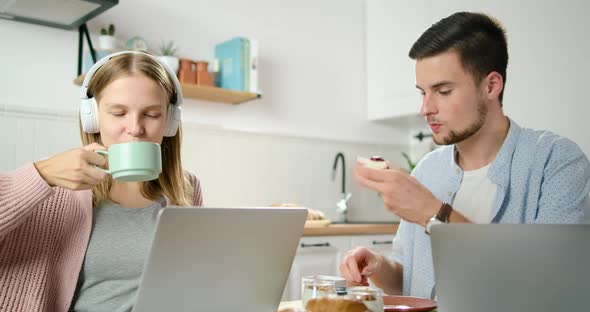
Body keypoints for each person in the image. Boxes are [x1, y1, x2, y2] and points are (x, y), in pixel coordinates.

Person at [340, 12, 590, 298]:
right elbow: (412, 284)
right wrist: (380, 267)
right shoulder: (427, 169)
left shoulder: (557, 163)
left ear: (491, 86)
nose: (425, 108)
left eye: (443, 91)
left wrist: (432, 213)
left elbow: (552, 289)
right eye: (422, 92)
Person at [0, 51, 203, 312]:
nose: (135, 128)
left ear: (170, 122)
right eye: (118, 113)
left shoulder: (187, 189)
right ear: (92, 118)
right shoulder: (56, 186)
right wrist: (42, 174)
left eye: (152, 114)